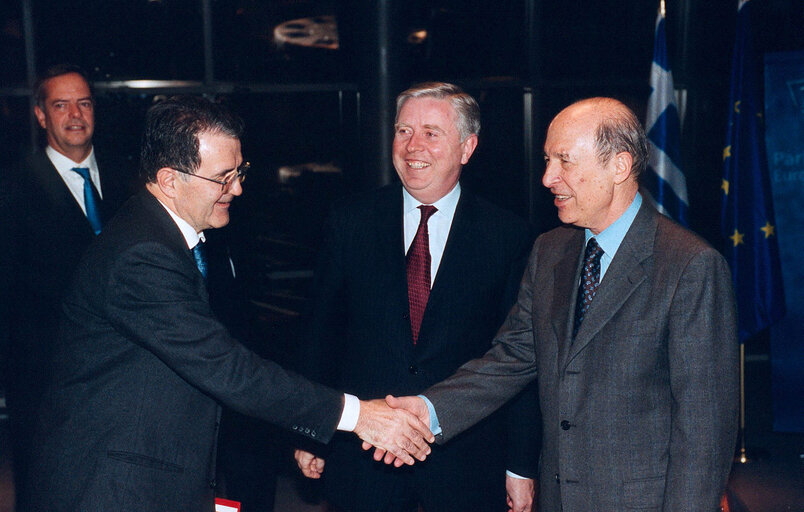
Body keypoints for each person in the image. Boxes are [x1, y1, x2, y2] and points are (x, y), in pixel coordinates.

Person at [22, 95, 433, 512]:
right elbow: (226, 368)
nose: (237, 188)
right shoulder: (140, 256)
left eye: (240, 171)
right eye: (223, 177)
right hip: (111, 489)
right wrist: (359, 416)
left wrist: (294, 435)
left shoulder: (159, 237)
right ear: (169, 180)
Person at [387, 97, 739, 511]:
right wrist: (427, 410)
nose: (548, 177)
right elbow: (512, 357)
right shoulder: (550, 251)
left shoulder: (689, 266)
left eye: (564, 161)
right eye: (547, 159)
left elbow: (705, 432)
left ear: (620, 167)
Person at [293, 82, 541, 512]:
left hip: (466, 461)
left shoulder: (508, 237)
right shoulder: (350, 222)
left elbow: (519, 359)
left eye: (430, 132)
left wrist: (520, 466)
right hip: (363, 458)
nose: (412, 146)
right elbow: (320, 335)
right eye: (403, 130)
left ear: (467, 148)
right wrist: (310, 430)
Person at [0, 63, 133, 499]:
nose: (75, 115)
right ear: (41, 115)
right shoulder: (12, 190)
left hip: (127, 376)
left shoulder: (133, 181)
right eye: (61, 105)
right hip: (45, 385)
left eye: (84, 103)